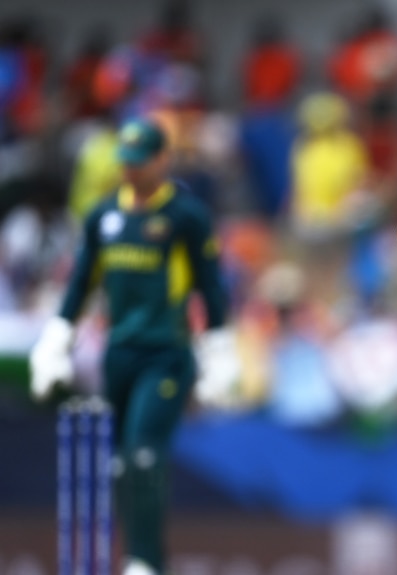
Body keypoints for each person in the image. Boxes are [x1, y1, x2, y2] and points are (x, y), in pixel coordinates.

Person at [28, 117, 240, 575]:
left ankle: (144, 561)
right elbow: (81, 282)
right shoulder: (104, 216)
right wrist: (56, 340)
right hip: (118, 353)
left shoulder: (185, 215)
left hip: (166, 353)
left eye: (140, 162)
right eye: (125, 162)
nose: (131, 171)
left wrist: (220, 349)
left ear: (163, 159)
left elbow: (211, 286)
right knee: (124, 464)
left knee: (144, 455)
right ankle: (140, 558)